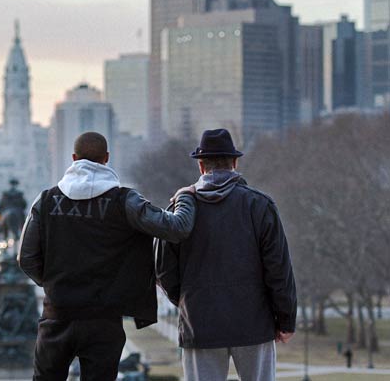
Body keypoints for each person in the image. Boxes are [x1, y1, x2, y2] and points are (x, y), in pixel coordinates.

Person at [18, 132, 197, 381]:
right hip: (104, 318)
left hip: (57, 313)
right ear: (106, 158)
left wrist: (54, 283)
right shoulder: (125, 201)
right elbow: (177, 228)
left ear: (73, 158)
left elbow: (26, 258)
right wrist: (186, 196)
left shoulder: (46, 200)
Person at [156, 128, 297, 381]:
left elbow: (164, 269)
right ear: (234, 163)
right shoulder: (260, 205)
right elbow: (279, 269)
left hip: (200, 325)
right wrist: (285, 319)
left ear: (201, 166)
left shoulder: (179, 209)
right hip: (254, 323)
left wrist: (189, 300)